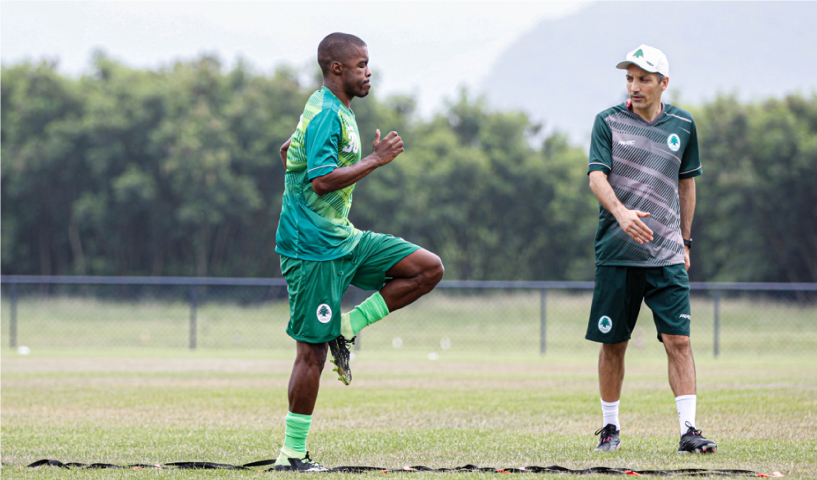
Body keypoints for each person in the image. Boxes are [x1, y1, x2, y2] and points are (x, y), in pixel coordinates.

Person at [272, 32, 444, 471]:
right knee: (311, 353)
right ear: (337, 69)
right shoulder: (327, 112)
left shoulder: (335, 109)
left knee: (427, 269)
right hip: (312, 249)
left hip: (343, 239)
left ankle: (348, 326)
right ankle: (291, 455)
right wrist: (375, 159)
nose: (369, 72)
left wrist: (297, 157)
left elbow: (290, 152)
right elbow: (320, 181)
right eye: (361, 64)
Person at [585, 44, 717, 454]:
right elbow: (596, 177)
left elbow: (686, 184)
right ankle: (610, 428)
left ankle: (689, 432)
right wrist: (621, 214)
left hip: (667, 256)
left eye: (643, 79)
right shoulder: (607, 121)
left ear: (663, 83)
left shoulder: (683, 124)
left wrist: (686, 240)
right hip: (617, 254)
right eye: (629, 78)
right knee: (614, 344)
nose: (634, 86)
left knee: (679, 342)